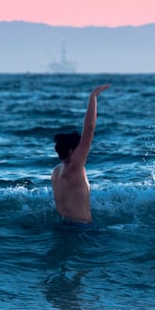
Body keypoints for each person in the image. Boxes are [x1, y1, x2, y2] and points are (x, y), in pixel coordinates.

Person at [52, 84, 111, 223]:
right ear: (72, 151)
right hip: (81, 228)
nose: (83, 150)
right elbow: (89, 129)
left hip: (64, 225)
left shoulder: (56, 172)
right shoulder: (74, 166)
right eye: (79, 148)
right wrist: (93, 96)